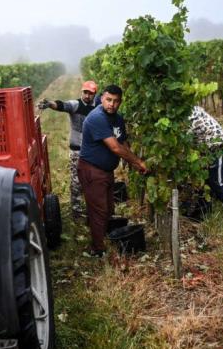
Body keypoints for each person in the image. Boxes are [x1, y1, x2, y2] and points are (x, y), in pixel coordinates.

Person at [78, 84, 147, 258]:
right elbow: (115, 148)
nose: (112, 104)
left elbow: (123, 143)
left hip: (106, 171)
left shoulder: (118, 118)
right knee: (99, 210)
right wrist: (138, 162)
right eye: (108, 100)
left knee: (108, 209)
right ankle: (97, 250)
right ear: (101, 99)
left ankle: (100, 236)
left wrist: (134, 164)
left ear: (120, 102)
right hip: (92, 170)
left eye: (116, 101)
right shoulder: (96, 118)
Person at [38, 80, 98, 219]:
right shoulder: (76, 105)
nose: (87, 96)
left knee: (93, 181)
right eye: (85, 92)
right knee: (76, 181)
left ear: (95, 94)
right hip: (77, 151)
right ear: (82, 91)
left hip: (93, 151)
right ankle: (76, 212)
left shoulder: (98, 108)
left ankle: (93, 210)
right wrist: (50, 104)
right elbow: (62, 105)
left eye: (91, 93)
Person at [187, 106, 223, 220]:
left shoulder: (188, 117)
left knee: (217, 182)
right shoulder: (191, 108)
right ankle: (203, 211)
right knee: (206, 180)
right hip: (209, 150)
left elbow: (187, 141)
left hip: (220, 148)